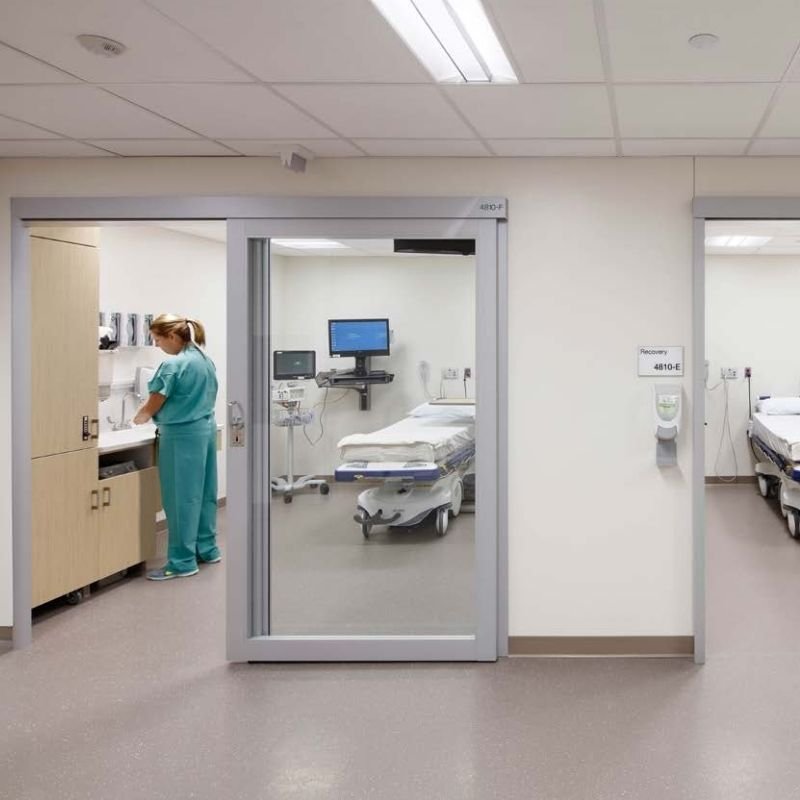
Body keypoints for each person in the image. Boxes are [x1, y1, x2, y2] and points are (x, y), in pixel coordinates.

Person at [133, 314, 221, 580]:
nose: (159, 346)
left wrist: (140, 417)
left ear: (172, 336)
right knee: (205, 494)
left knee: (181, 498)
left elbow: (155, 401)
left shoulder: (174, 365)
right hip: (205, 430)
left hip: (181, 435)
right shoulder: (204, 360)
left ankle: (182, 562)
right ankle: (207, 549)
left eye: (158, 340)